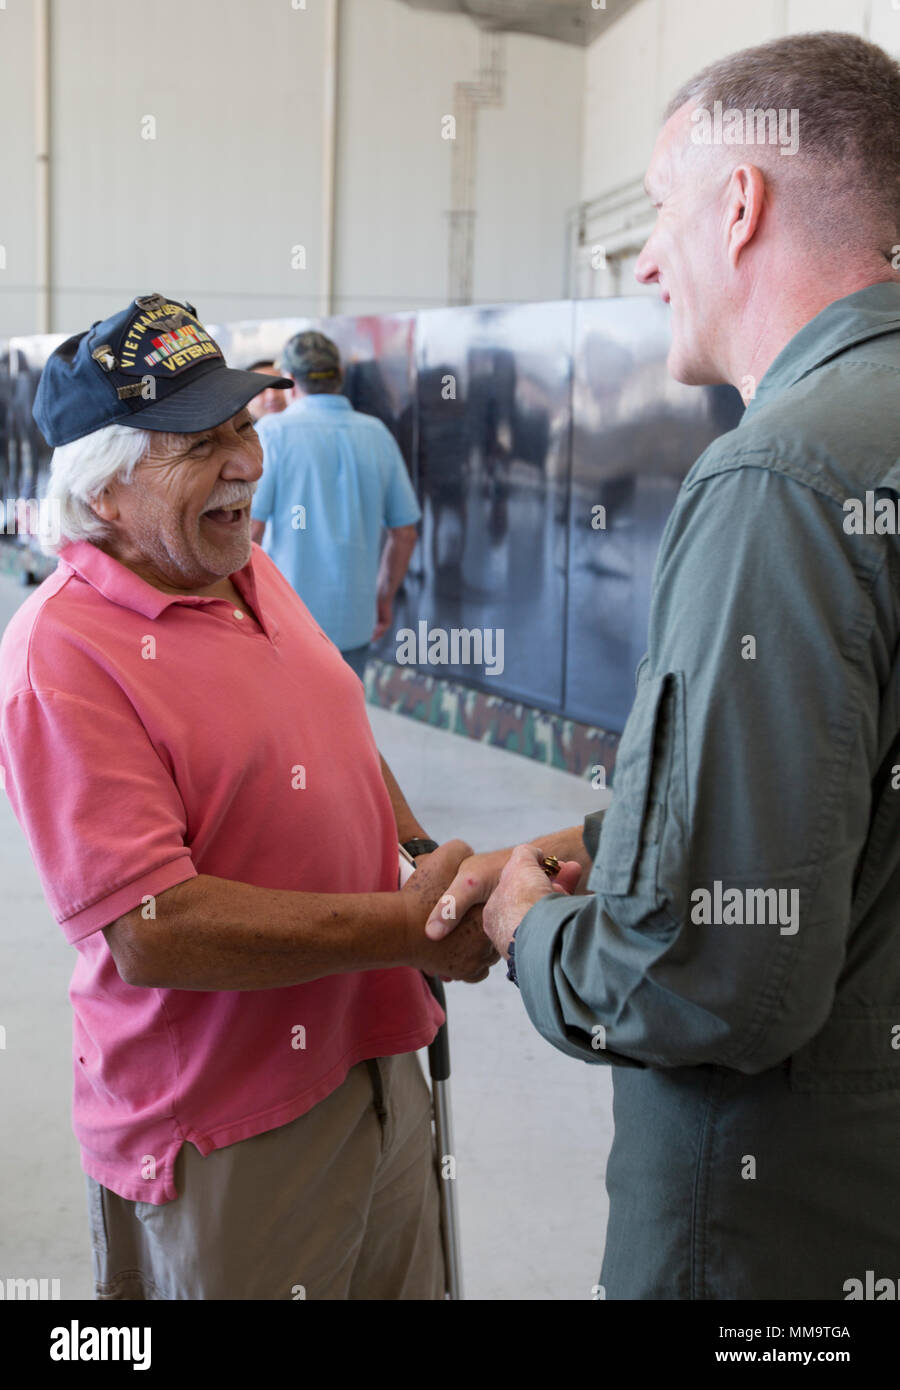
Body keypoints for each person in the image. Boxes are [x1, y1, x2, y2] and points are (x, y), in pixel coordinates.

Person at [427, 31, 900, 1300]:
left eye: (660, 209)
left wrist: (536, 929)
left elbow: (715, 977)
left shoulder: (779, 478)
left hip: (770, 1231)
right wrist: (635, 829)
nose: (643, 258)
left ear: (741, 206)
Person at [0, 293, 497, 1301]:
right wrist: (404, 927)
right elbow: (156, 929)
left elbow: (331, 722)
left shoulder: (242, 564)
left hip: (375, 1056)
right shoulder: (64, 653)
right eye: (200, 442)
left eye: (241, 427)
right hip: (227, 1129)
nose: (247, 461)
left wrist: (415, 851)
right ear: (105, 493)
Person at [250, 331, 419, 680]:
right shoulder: (377, 433)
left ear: (291, 381)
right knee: (343, 722)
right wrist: (383, 595)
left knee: (289, 724)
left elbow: (250, 530)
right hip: (356, 618)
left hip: (284, 620)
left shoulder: (273, 432)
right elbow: (405, 534)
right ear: (339, 375)